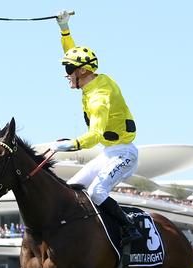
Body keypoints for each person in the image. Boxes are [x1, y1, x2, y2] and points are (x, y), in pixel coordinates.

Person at [50, 10, 140, 246]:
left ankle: (129, 229)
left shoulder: (99, 97)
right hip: (109, 153)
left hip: (125, 154)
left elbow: (95, 135)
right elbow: (73, 55)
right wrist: (64, 29)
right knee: (71, 190)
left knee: (97, 193)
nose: (66, 75)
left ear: (82, 72)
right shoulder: (92, 80)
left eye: (69, 71)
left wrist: (70, 145)